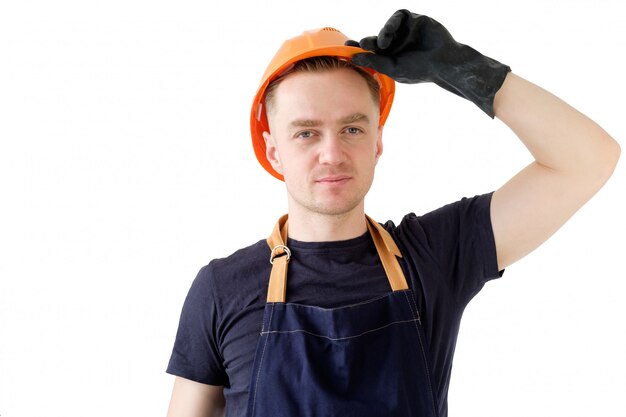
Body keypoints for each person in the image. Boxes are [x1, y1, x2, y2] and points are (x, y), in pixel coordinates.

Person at [165, 9, 620, 417]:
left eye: (352, 128)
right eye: (305, 133)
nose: (332, 153)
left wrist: (467, 71)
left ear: (378, 140)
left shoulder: (434, 256)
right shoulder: (221, 289)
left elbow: (587, 159)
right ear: (273, 151)